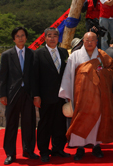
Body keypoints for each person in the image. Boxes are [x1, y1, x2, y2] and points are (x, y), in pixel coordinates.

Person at [59, 32, 113, 161]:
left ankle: (96, 146)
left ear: (97, 41)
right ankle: (80, 148)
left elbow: (112, 69)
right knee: (80, 120)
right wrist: (68, 95)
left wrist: (102, 73)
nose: (90, 42)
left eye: (92, 40)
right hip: (81, 96)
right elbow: (68, 76)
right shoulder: (75, 55)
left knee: (97, 120)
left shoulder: (102, 55)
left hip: (98, 96)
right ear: (83, 41)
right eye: (87, 40)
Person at [0, 27, 38, 165]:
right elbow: (2, 77)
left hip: (27, 94)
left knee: (29, 123)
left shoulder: (32, 54)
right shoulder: (6, 55)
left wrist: (36, 95)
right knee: (11, 124)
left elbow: (34, 77)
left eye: (22, 35)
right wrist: (2, 94)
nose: (20, 38)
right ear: (14, 39)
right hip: (12, 94)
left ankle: (28, 150)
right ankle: (10, 153)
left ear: (26, 38)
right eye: (17, 36)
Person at [32, 27, 70, 163]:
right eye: (49, 36)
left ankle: (58, 148)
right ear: (45, 38)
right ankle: (43, 151)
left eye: (55, 35)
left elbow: (67, 74)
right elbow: (34, 77)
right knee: (45, 124)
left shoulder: (63, 52)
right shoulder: (38, 54)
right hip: (45, 96)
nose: (53, 38)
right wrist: (36, 95)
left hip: (61, 96)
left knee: (60, 124)